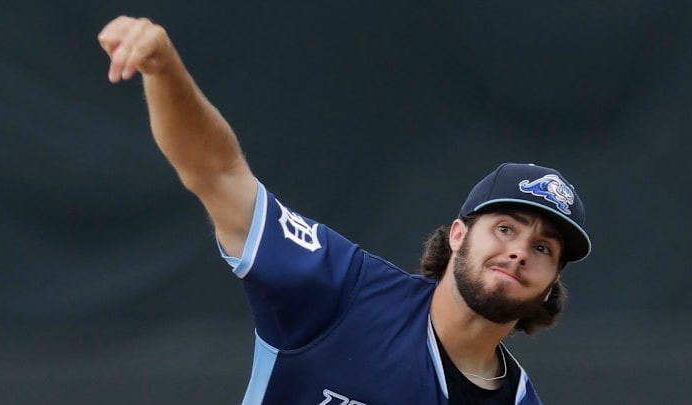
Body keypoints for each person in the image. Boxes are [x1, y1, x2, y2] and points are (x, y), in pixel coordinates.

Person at [98, 16, 591, 405]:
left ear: (551, 285)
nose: (519, 251)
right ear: (459, 234)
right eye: (505, 228)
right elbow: (219, 174)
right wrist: (165, 71)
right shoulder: (341, 292)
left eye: (543, 248)